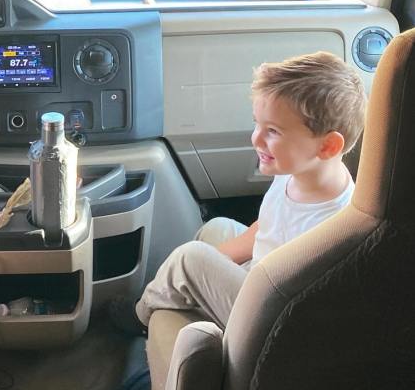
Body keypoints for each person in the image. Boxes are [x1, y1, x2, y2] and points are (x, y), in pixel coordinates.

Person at [112, 51, 367, 334]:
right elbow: (267, 227)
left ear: (328, 146)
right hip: (264, 275)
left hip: (270, 314)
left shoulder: (333, 226)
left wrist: (207, 267)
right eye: (258, 123)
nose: (255, 138)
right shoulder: (296, 172)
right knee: (216, 230)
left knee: (189, 258)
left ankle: (141, 315)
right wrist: (218, 263)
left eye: (273, 131)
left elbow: (291, 301)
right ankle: (183, 292)